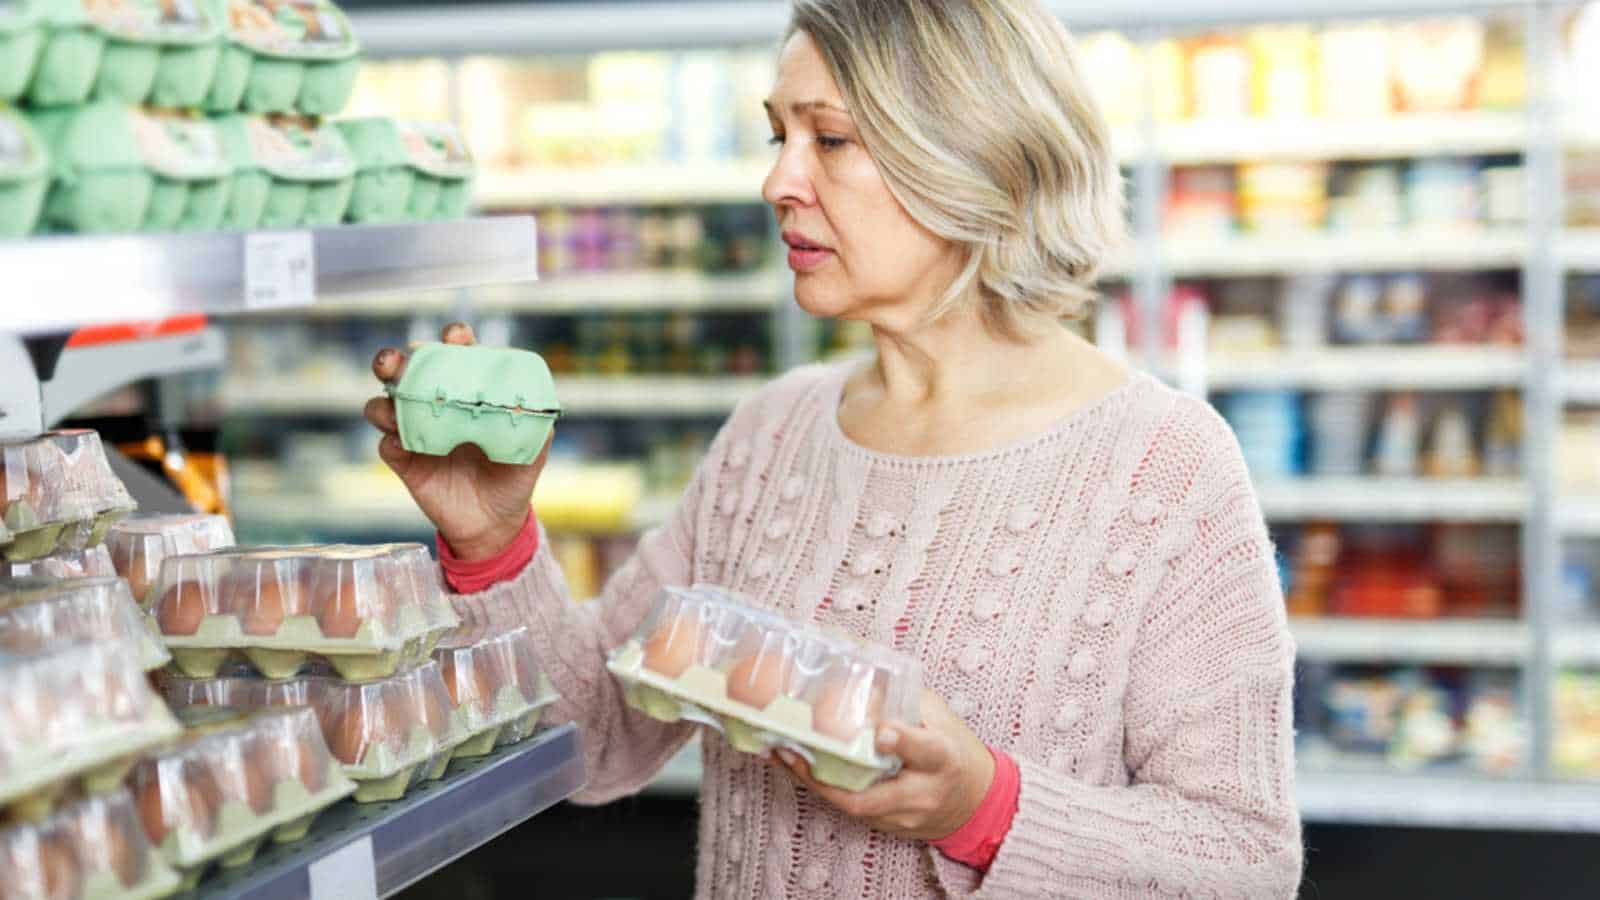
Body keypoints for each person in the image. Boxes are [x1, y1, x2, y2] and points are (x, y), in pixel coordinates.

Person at [365, 1, 1303, 896]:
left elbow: (1245, 861)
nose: (778, 181)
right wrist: (495, 546)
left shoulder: (1165, 467)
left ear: (977, 159)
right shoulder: (771, 435)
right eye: (780, 135)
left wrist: (985, 810)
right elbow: (599, 740)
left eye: (832, 139)